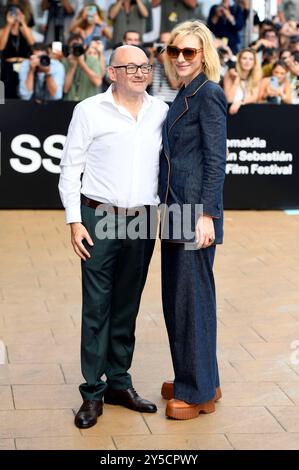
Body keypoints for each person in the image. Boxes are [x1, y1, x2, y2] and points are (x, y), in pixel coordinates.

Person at [58, 44, 168, 429]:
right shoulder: (88, 111)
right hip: (98, 217)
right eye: (130, 66)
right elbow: (70, 169)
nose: (140, 72)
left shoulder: (161, 112)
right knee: (97, 306)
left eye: (145, 66)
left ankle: (119, 382)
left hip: (142, 220)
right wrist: (75, 221)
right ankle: (92, 392)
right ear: (112, 72)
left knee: (127, 304)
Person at [159, 20, 227, 420]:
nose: (181, 58)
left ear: (204, 55)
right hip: (173, 209)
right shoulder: (183, 91)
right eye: (175, 51)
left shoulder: (210, 93)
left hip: (191, 212)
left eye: (189, 52)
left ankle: (197, 391)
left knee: (190, 301)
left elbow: (216, 161)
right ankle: (202, 377)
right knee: (181, 300)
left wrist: (206, 215)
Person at [0, 3, 34, 98]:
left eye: (18, 13)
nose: (15, 15)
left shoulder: (25, 29)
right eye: (13, 13)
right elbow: (1, 47)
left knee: (24, 94)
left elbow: (32, 43)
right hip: (8, 67)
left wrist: (22, 22)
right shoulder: (3, 30)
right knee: (8, 94)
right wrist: (9, 24)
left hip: (24, 66)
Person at [63, 33, 105, 100]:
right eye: (73, 47)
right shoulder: (65, 61)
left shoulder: (92, 60)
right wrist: (72, 67)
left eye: (79, 46)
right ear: (69, 49)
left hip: (88, 103)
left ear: (84, 47)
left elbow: (98, 82)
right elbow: (65, 89)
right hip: (69, 102)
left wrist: (82, 63)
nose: (76, 49)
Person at [223, 47, 262, 114]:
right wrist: (236, 80)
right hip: (230, 112)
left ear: (254, 62)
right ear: (239, 61)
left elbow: (254, 97)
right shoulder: (230, 75)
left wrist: (240, 102)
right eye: (244, 58)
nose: (247, 62)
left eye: (251, 59)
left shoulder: (256, 76)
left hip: (248, 113)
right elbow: (229, 99)